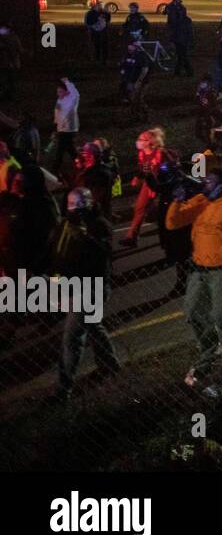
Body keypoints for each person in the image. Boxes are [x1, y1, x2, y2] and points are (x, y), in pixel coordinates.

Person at [165, 168, 222, 389]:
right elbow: (173, 223)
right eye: (205, 180)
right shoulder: (201, 201)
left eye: (210, 182)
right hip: (198, 270)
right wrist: (177, 200)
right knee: (194, 312)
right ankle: (209, 355)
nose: (205, 185)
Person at [51, 188, 121, 398]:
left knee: (72, 338)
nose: (75, 211)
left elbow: (103, 258)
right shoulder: (67, 223)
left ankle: (64, 388)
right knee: (92, 326)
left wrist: (85, 238)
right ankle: (110, 363)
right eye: (72, 206)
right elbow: (57, 250)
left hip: (90, 288)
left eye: (79, 206)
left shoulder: (99, 226)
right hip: (71, 286)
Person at [50, 76, 80, 177]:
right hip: (62, 130)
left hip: (69, 130)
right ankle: (81, 164)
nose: (58, 94)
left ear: (67, 92)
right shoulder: (59, 101)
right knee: (68, 150)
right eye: (57, 92)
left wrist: (67, 82)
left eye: (60, 91)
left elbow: (75, 93)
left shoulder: (72, 100)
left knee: (62, 151)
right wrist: (56, 129)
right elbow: (57, 116)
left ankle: (55, 170)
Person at [166, 0, 195, 76]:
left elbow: (189, 31)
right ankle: (183, 71)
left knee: (182, 56)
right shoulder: (175, 11)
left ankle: (184, 71)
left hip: (182, 39)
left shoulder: (183, 20)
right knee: (181, 55)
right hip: (179, 39)